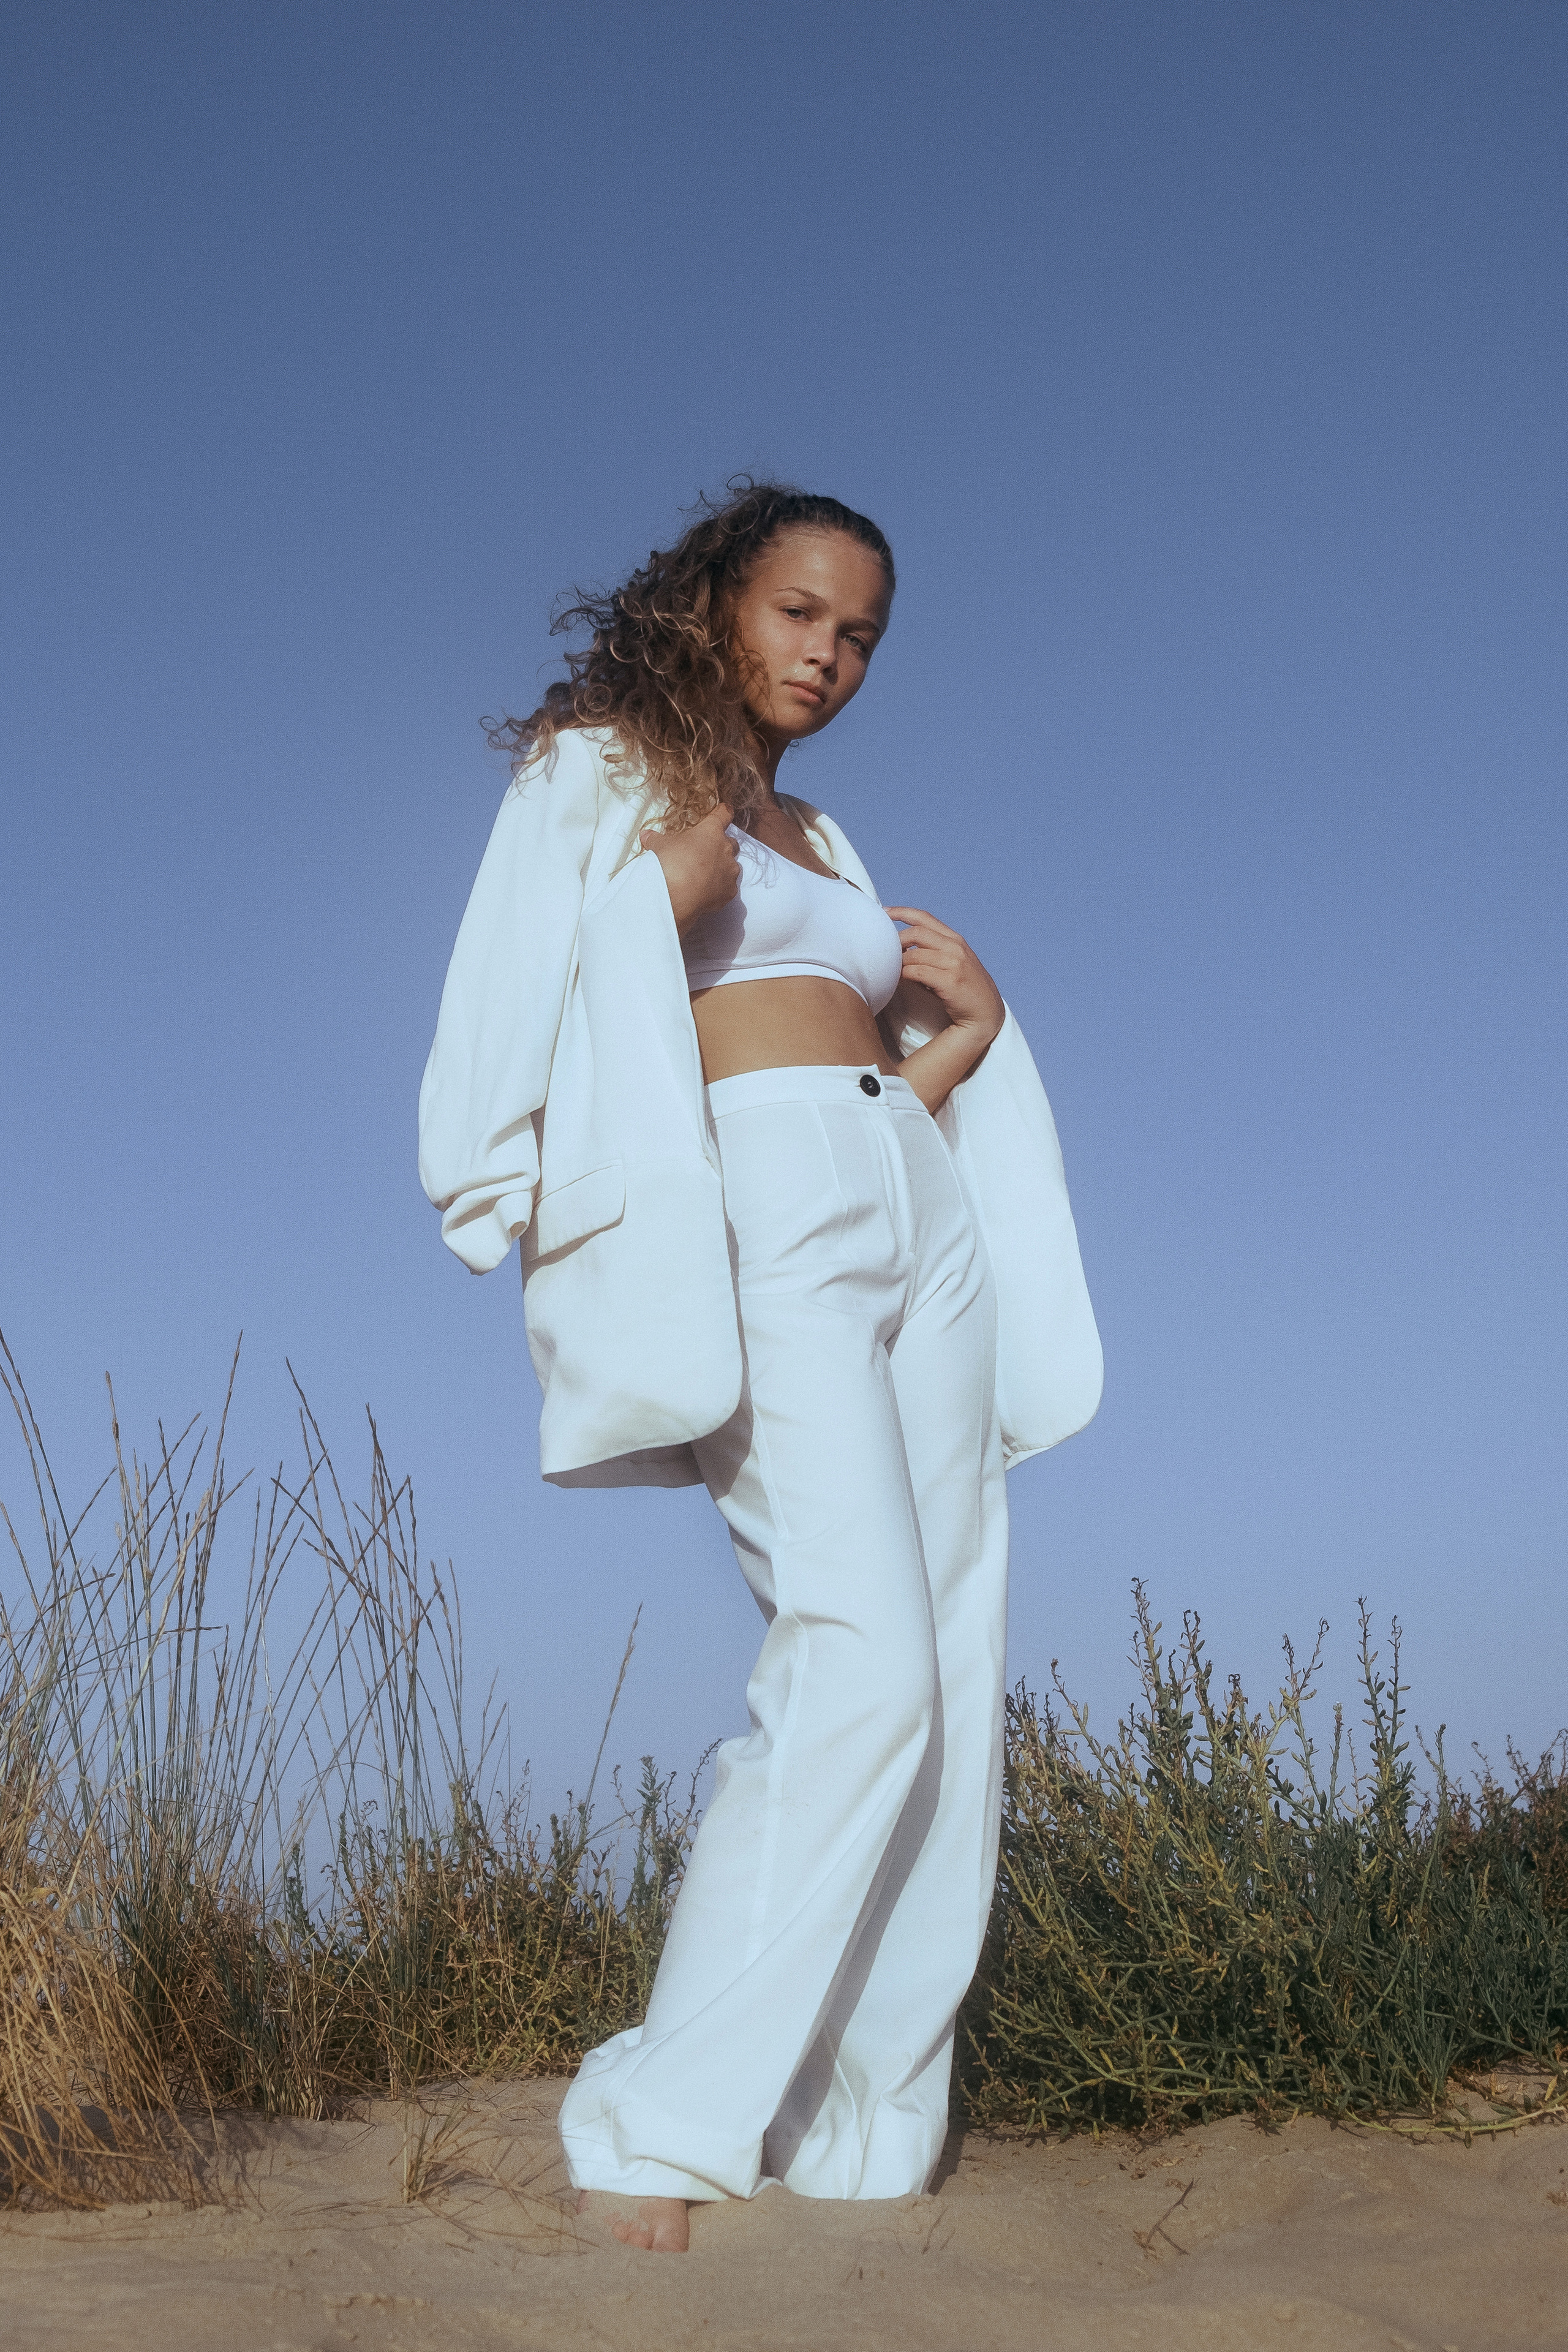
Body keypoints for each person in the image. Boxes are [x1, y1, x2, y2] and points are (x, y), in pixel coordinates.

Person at [418, 482, 1101, 2252]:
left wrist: (970, 1041)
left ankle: (863, 2123)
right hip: (766, 1218)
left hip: (908, 1204)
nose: (830, 654)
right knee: (859, 1658)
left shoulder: (830, 838)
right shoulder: (603, 770)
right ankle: (664, 2123)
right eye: (801, 613)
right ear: (717, 603)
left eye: (861, 631)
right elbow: (526, 990)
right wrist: (655, 899)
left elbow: (859, 1076)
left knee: (946, 1663)